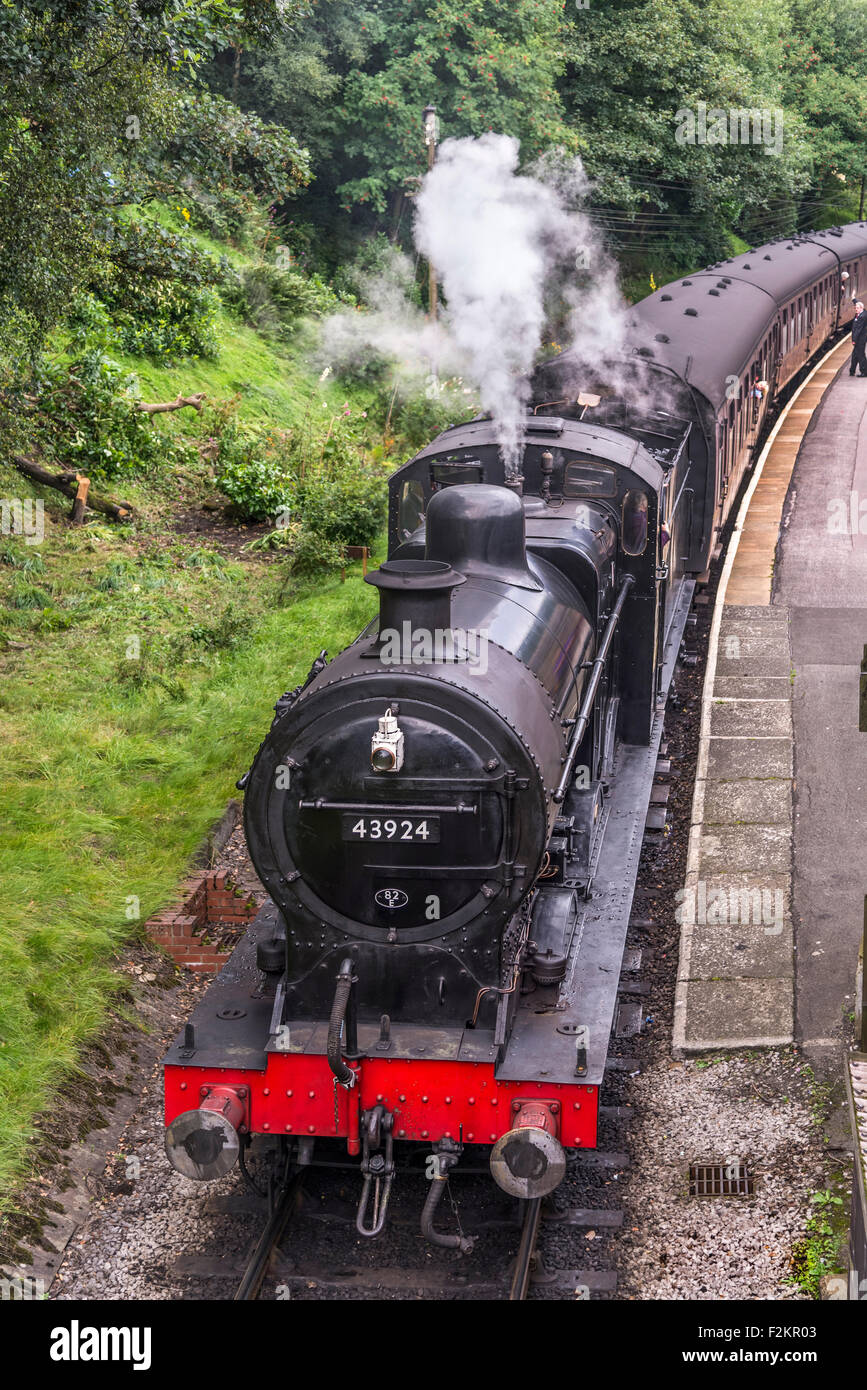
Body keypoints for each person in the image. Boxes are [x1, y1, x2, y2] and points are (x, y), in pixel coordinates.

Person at [851, 302, 867, 377]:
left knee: (861, 355)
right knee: (855, 355)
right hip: (859, 339)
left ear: (861, 308)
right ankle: (852, 370)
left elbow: (858, 330)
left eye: (857, 308)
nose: (855, 309)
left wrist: (854, 340)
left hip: (860, 340)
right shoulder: (862, 313)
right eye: (855, 308)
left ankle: (864, 372)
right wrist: (854, 299)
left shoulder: (862, 316)